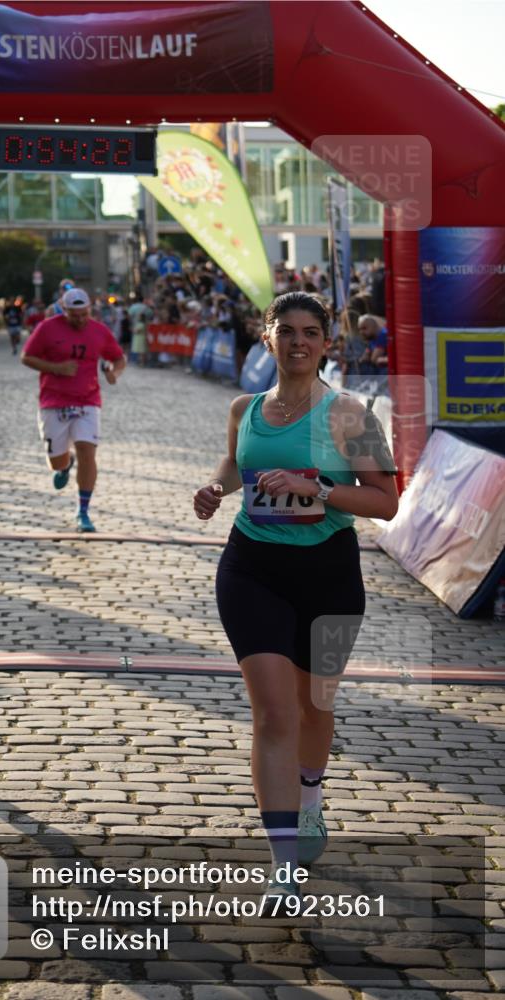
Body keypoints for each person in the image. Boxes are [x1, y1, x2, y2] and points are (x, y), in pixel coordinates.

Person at [193, 291, 398, 913]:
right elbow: (238, 465)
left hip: (330, 577)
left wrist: (317, 487)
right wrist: (215, 487)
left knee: (315, 706)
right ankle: (284, 864)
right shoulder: (243, 407)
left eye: (312, 332)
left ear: (327, 344)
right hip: (251, 568)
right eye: (288, 331)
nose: (300, 342)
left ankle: (311, 800)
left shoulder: (351, 417)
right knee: (274, 715)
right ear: (268, 337)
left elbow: (386, 502)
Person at [21, 287, 126, 533]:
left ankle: (83, 511)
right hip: (53, 401)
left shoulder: (99, 330)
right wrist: (55, 368)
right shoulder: (47, 328)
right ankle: (65, 464)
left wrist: (114, 373)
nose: (80, 319)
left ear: (90, 309)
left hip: (88, 400)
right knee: (56, 462)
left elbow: (119, 358)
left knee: (88, 452)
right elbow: (27, 357)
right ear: (64, 310)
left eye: (84, 314)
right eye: (74, 315)